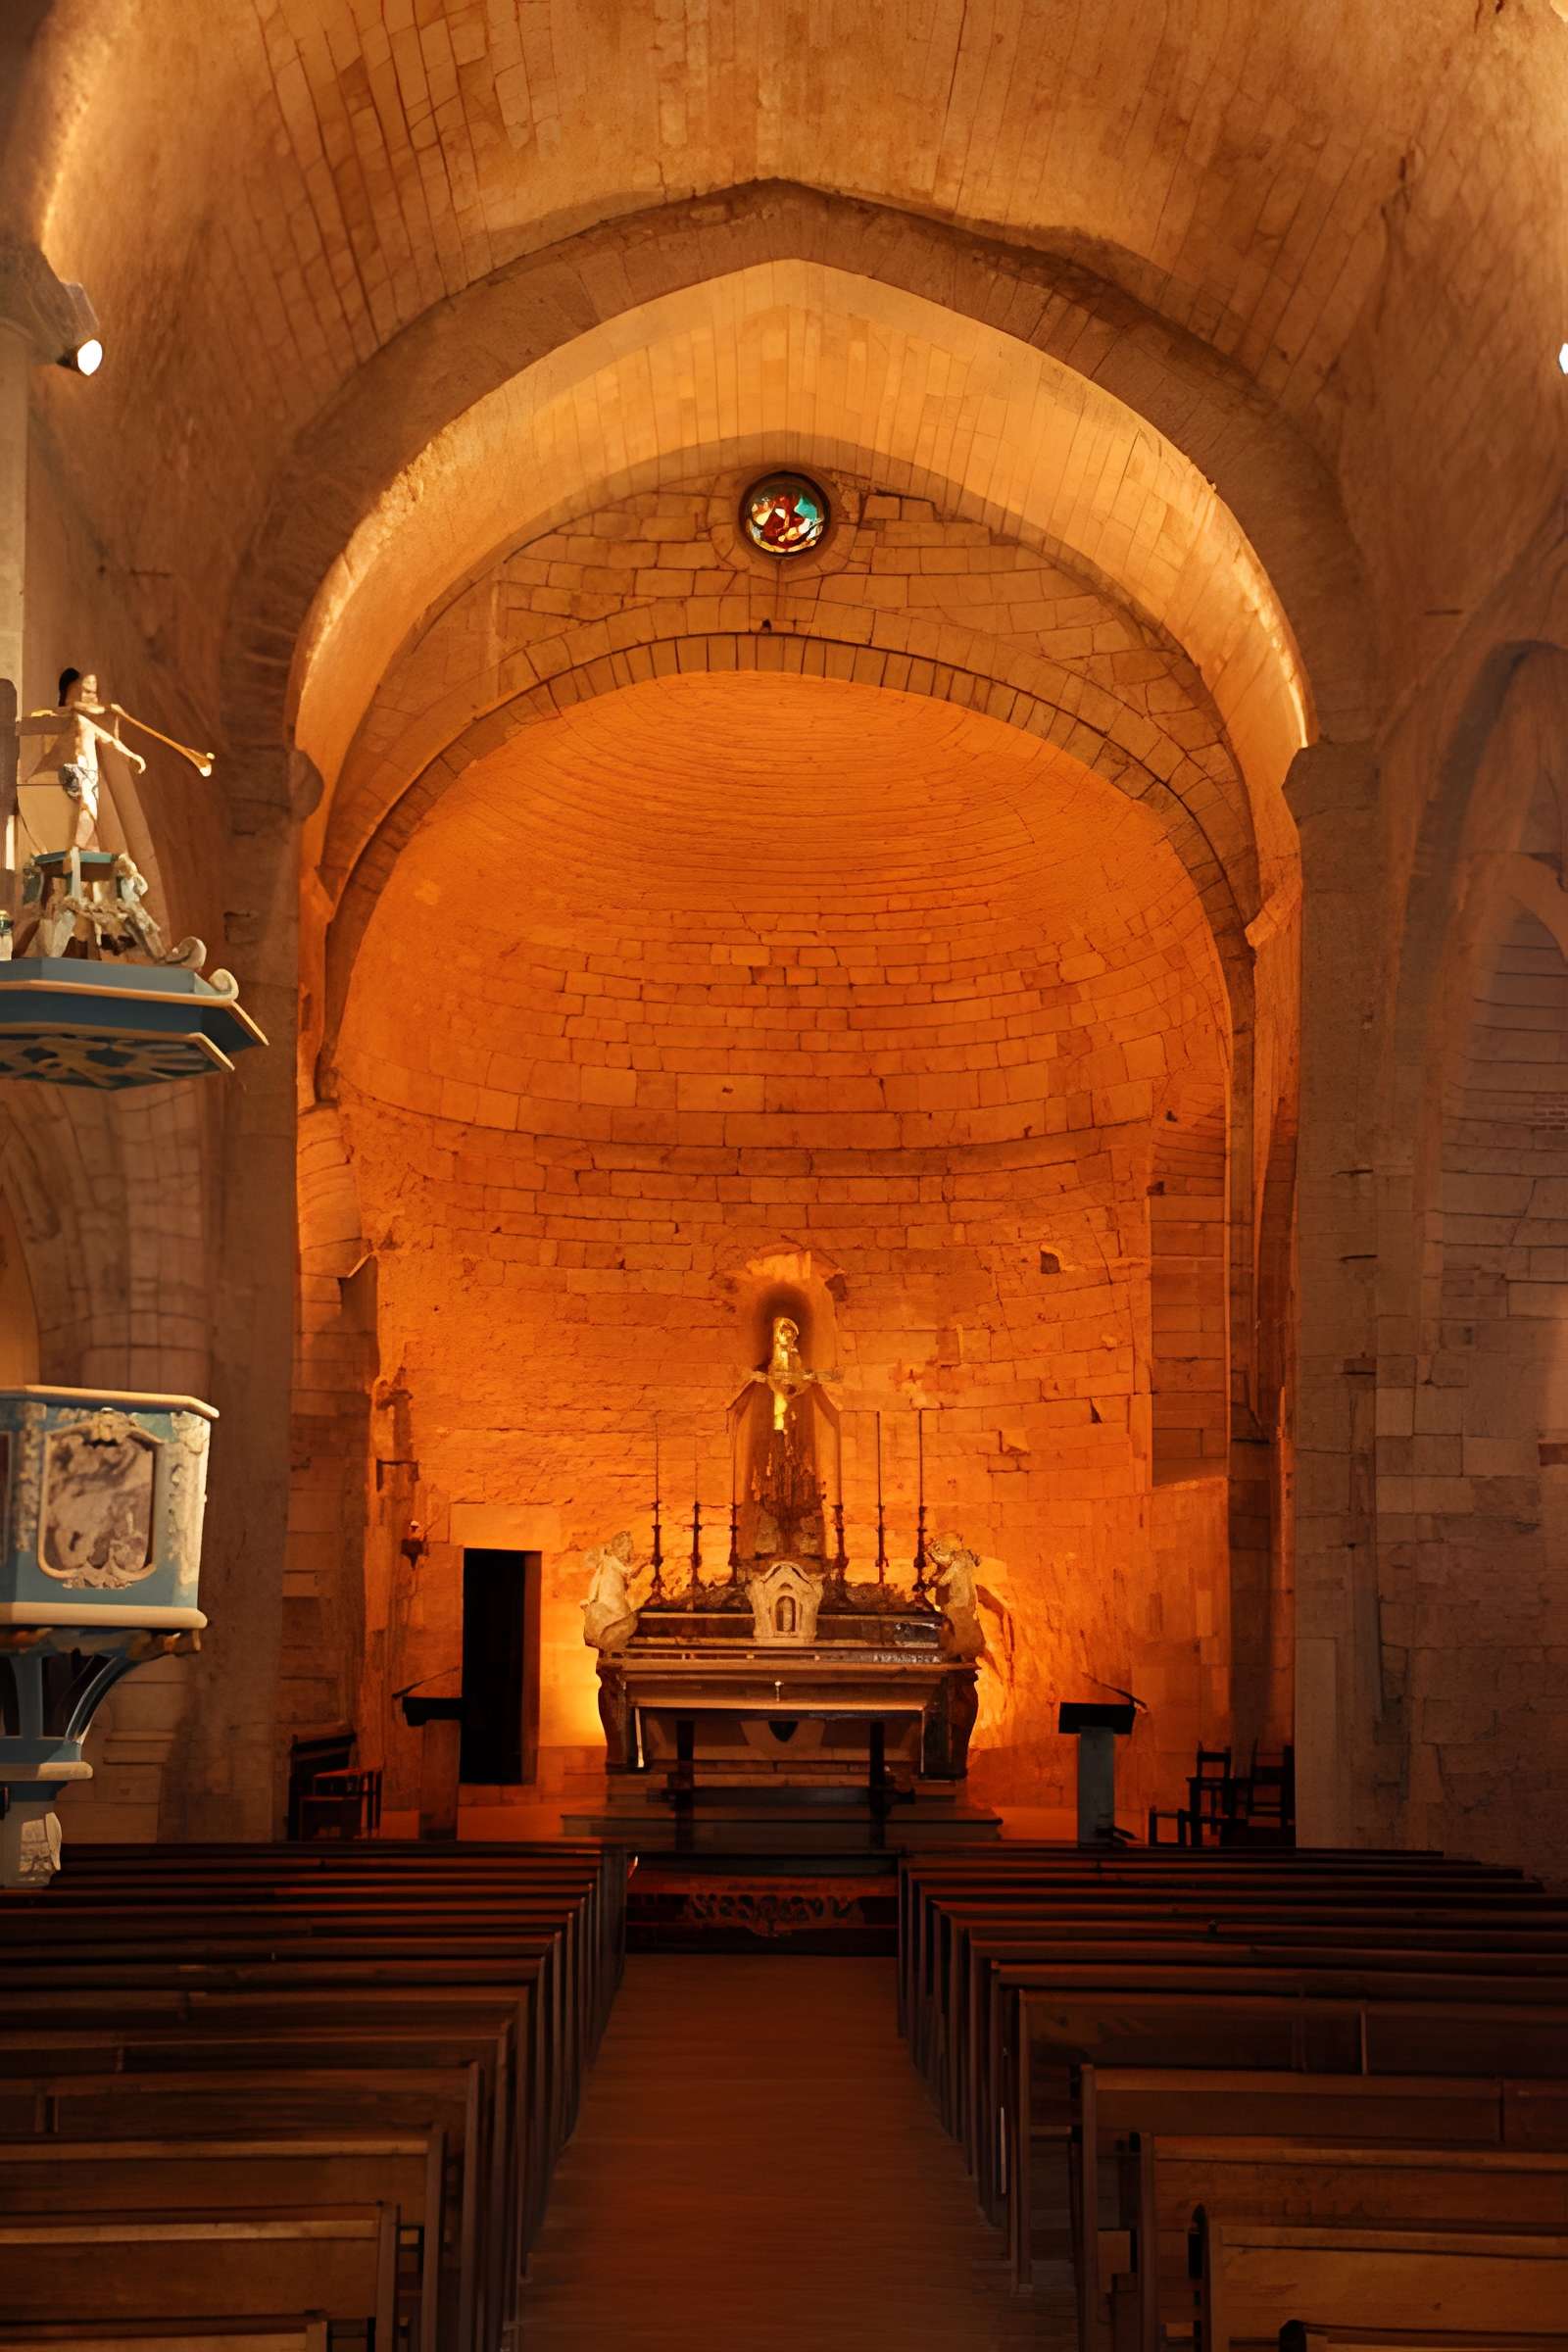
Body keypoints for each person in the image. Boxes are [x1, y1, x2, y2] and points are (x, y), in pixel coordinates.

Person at [14, 668, 145, 851]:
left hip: (84, 778)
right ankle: (75, 849)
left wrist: (132, 756)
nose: (92, 698)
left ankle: (76, 849)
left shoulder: (86, 724)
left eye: (94, 693)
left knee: (89, 809)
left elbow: (111, 741)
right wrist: (106, 708)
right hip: (64, 776)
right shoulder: (63, 718)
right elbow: (69, 709)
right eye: (86, 692)